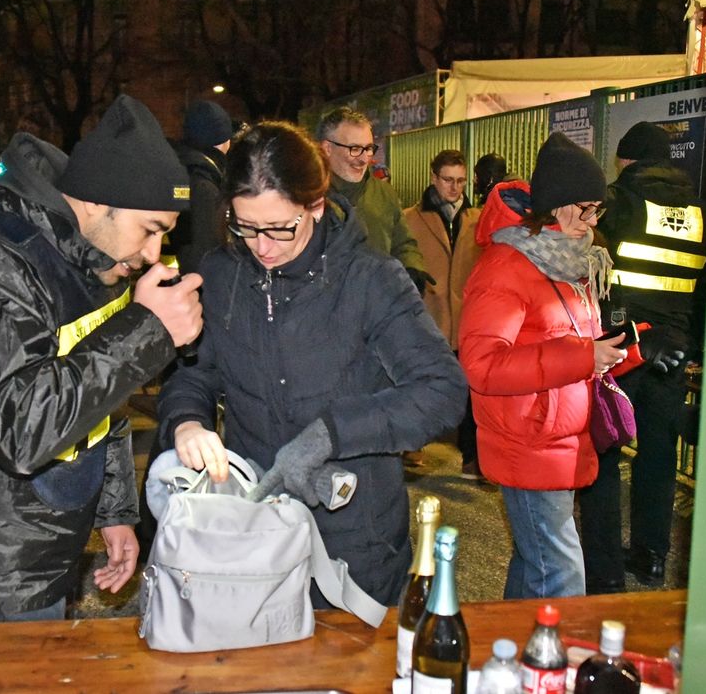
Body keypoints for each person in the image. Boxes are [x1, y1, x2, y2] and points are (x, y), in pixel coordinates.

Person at [0, 94, 203, 626]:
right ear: (94, 204)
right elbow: (20, 429)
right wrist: (148, 330)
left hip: (47, 541)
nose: (153, 253)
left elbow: (95, 396)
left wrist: (112, 512)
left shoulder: (88, 259)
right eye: (150, 229)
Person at [157, 121, 467, 606]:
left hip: (354, 542)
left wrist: (333, 433)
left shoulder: (372, 281)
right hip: (254, 532)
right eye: (246, 227)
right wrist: (186, 423)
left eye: (281, 227)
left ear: (316, 206)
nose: (263, 246)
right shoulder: (222, 275)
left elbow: (441, 391)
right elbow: (193, 372)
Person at [458, 132, 628, 599]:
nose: (593, 221)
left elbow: (565, 336)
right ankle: (555, 667)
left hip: (560, 434)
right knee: (560, 572)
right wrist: (582, 357)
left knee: (538, 563)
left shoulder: (572, 260)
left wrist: (616, 351)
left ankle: (508, 657)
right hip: (527, 440)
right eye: (586, 208)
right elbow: (482, 366)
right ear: (557, 205)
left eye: (598, 209)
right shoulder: (507, 267)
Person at [579, 121, 706, 593]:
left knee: (606, 446)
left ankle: (604, 559)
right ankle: (652, 556)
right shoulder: (700, 211)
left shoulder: (618, 201)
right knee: (659, 451)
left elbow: (595, 270)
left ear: (628, 160)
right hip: (673, 352)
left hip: (623, 345)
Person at [403, 149, 485, 479]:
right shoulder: (410, 217)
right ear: (434, 178)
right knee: (420, 381)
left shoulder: (477, 218)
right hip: (428, 312)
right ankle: (412, 443)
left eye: (461, 181)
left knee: (470, 387)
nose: (454, 188)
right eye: (448, 180)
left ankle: (471, 456)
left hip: (467, 315)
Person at [315, 107, 431, 293]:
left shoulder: (384, 193)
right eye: (355, 149)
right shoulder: (306, 196)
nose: (364, 159)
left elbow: (403, 243)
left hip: (378, 305)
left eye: (368, 149)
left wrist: (412, 267)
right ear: (327, 148)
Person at [168, 99, 232, 275]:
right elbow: (206, 250)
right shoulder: (204, 185)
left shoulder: (183, 170)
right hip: (199, 286)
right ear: (223, 141)